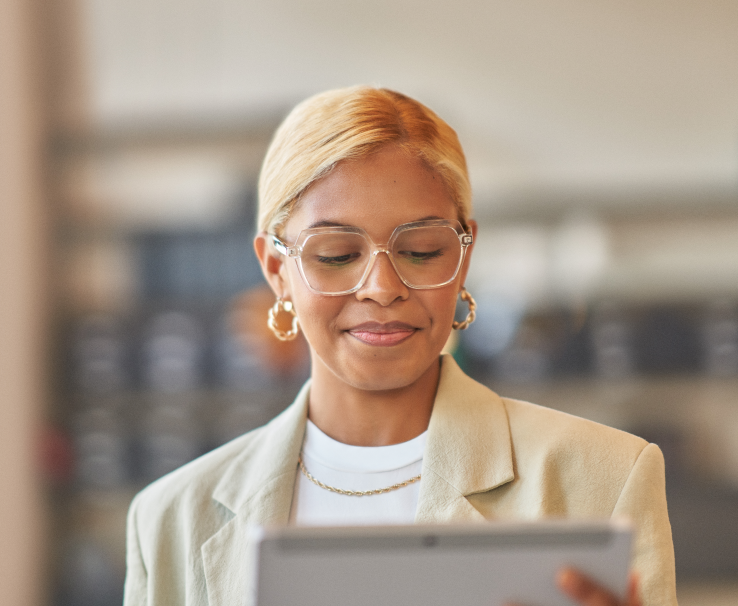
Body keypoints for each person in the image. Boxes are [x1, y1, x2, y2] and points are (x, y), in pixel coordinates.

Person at [123, 86, 677, 606]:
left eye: (421, 249)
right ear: (276, 270)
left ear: (463, 256)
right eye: (336, 254)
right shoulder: (171, 519)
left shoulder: (605, 479)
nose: (383, 288)